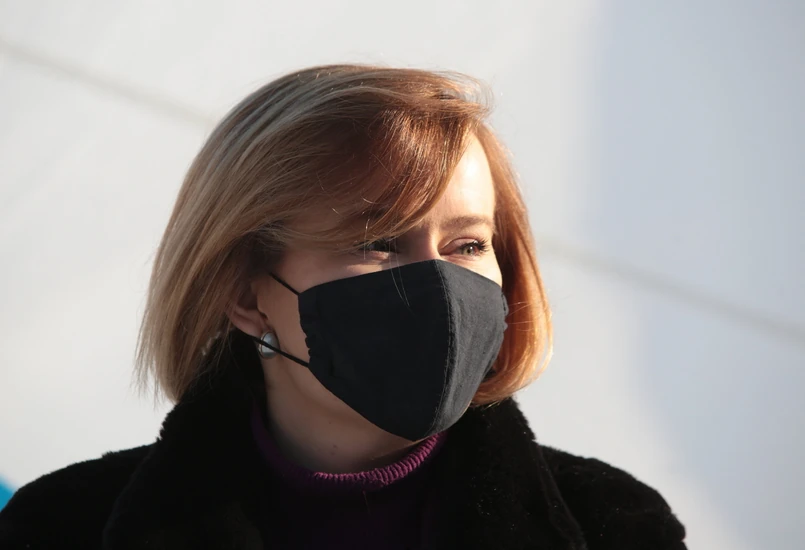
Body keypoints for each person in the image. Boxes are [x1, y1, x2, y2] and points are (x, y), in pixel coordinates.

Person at [0, 64, 687, 549]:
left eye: (468, 243)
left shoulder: (616, 525)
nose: (438, 285)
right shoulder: (63, 526)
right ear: (244, 293)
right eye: (378, 241)